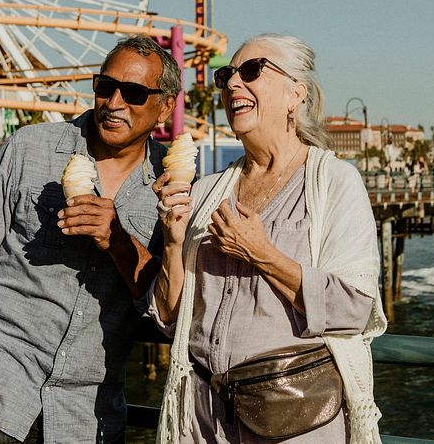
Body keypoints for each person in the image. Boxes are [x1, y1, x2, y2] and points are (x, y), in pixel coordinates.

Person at [0, 35, 181, 444]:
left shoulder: (172, 187)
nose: (114, 103)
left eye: (133, 93)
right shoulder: (29, 149)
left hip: (88, 416)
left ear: (166, 105)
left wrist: (117, 240)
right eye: (105, 86)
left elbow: (168, 309)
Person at [150, 34, 386, 443]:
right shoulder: (207, 191)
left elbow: (354, 308)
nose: (232, 84)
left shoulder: (334, 183)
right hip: (203, 419)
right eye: (226, 75)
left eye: (252, 71)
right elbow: (170, 316)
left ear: (297, 94)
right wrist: (173, 243)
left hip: (293, 417)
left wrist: (261, 253)